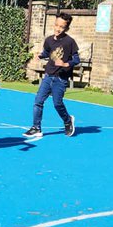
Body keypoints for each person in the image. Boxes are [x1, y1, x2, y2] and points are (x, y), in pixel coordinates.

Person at [24, 11, 79, 141]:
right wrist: (40, 55)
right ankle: (36, 128)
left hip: (61, 78)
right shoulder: (49, 40)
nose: (58, 29)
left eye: (61, 27)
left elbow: (76, 59)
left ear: (66, 28)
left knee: (57, 103)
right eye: (56, 25)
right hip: (48, 75)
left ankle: (67, 120)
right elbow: (47, 52)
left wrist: (66, 64)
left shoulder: (69, 42)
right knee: (38, 101)